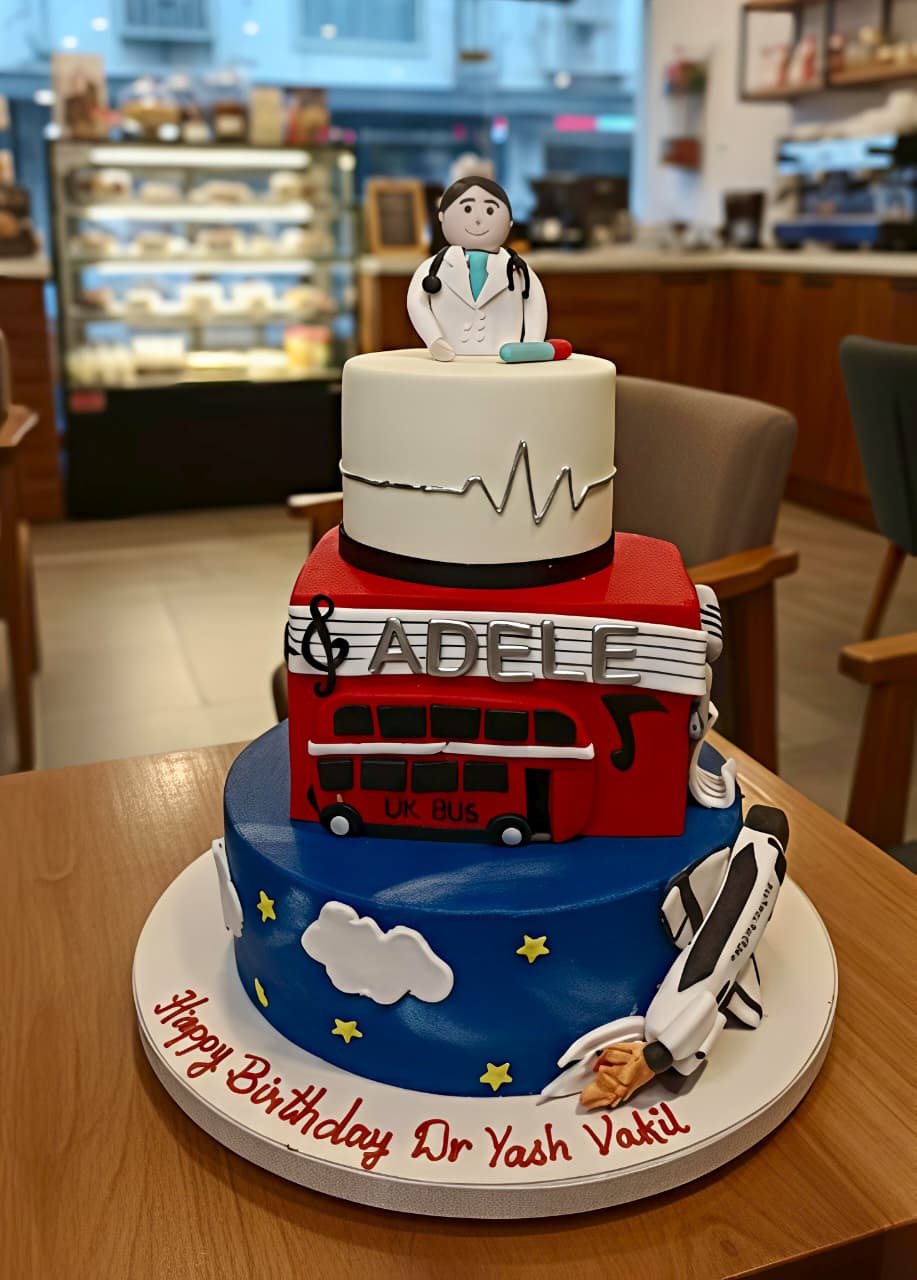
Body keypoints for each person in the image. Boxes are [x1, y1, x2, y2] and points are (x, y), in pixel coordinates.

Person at [407, 176, 547, 362]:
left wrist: (532, 344)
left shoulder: (518, 269)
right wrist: (434, 339)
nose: (478, 220)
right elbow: (416, 303)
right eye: (467, 209)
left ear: (510, 222)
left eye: (490, 210)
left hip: (503, 362)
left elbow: (535, 304)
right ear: (442, 216)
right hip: (450, 362)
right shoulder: (433, 267)